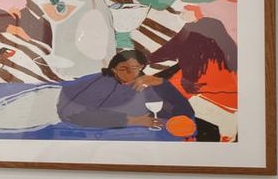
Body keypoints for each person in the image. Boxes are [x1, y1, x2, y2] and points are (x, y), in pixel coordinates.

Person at [56, 50, 191, 132]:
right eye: (122, 69)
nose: (129, 73)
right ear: (113, 69)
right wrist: (131, 121)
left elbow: (184, 113)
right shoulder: (99, 83)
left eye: (134, 68)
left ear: (141, 67)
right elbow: (71, 113)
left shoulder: (148, 83)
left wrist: (162, 83)